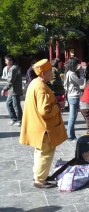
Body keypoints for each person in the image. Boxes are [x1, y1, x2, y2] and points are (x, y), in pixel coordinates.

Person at [19, 59, 67, 188]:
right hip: (44, 129)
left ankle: (39, 175)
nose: (52, 73)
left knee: (39, 152)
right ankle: (40, 180)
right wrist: (58, 105)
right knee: (45, 154)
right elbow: (45, 111)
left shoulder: (34, 83)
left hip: (37, 127)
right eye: (50, 71)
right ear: (43, 74)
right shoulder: (41, 88)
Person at [64, 57, 85, 141]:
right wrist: (81, 72)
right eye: (77, 64)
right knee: (72, 117)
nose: (78, 65)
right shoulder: (72, 74)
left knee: (72, 116)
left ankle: (71, 135)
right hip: (74, 96)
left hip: (70, 95)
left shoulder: (68, 73)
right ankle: (70, 136)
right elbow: (81, 82)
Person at [1, 55, 23, 126]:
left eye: (6, 60)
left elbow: (10, 81)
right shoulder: (13, 68)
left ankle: (20, 120)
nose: (5, 62)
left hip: (15, 91)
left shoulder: (14, 68)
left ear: (10, 60)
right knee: (8, 104)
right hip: (12, 90)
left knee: (16, 106)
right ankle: (14, 119)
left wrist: (4, 89)